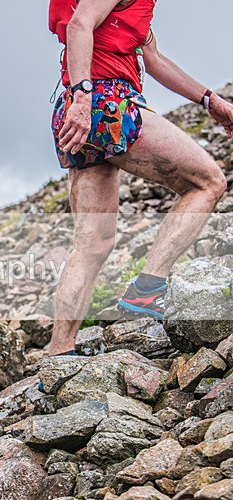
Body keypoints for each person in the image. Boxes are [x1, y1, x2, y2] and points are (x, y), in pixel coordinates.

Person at [47, 0, 233, 356]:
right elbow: (79, 26)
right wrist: (83, 100)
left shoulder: (133, 11)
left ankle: (58, 356)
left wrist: (211, 101)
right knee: (208, 182)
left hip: (79, 110)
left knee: (92, 244)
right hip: (104, 102)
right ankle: (148, 287)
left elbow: (154, 60)